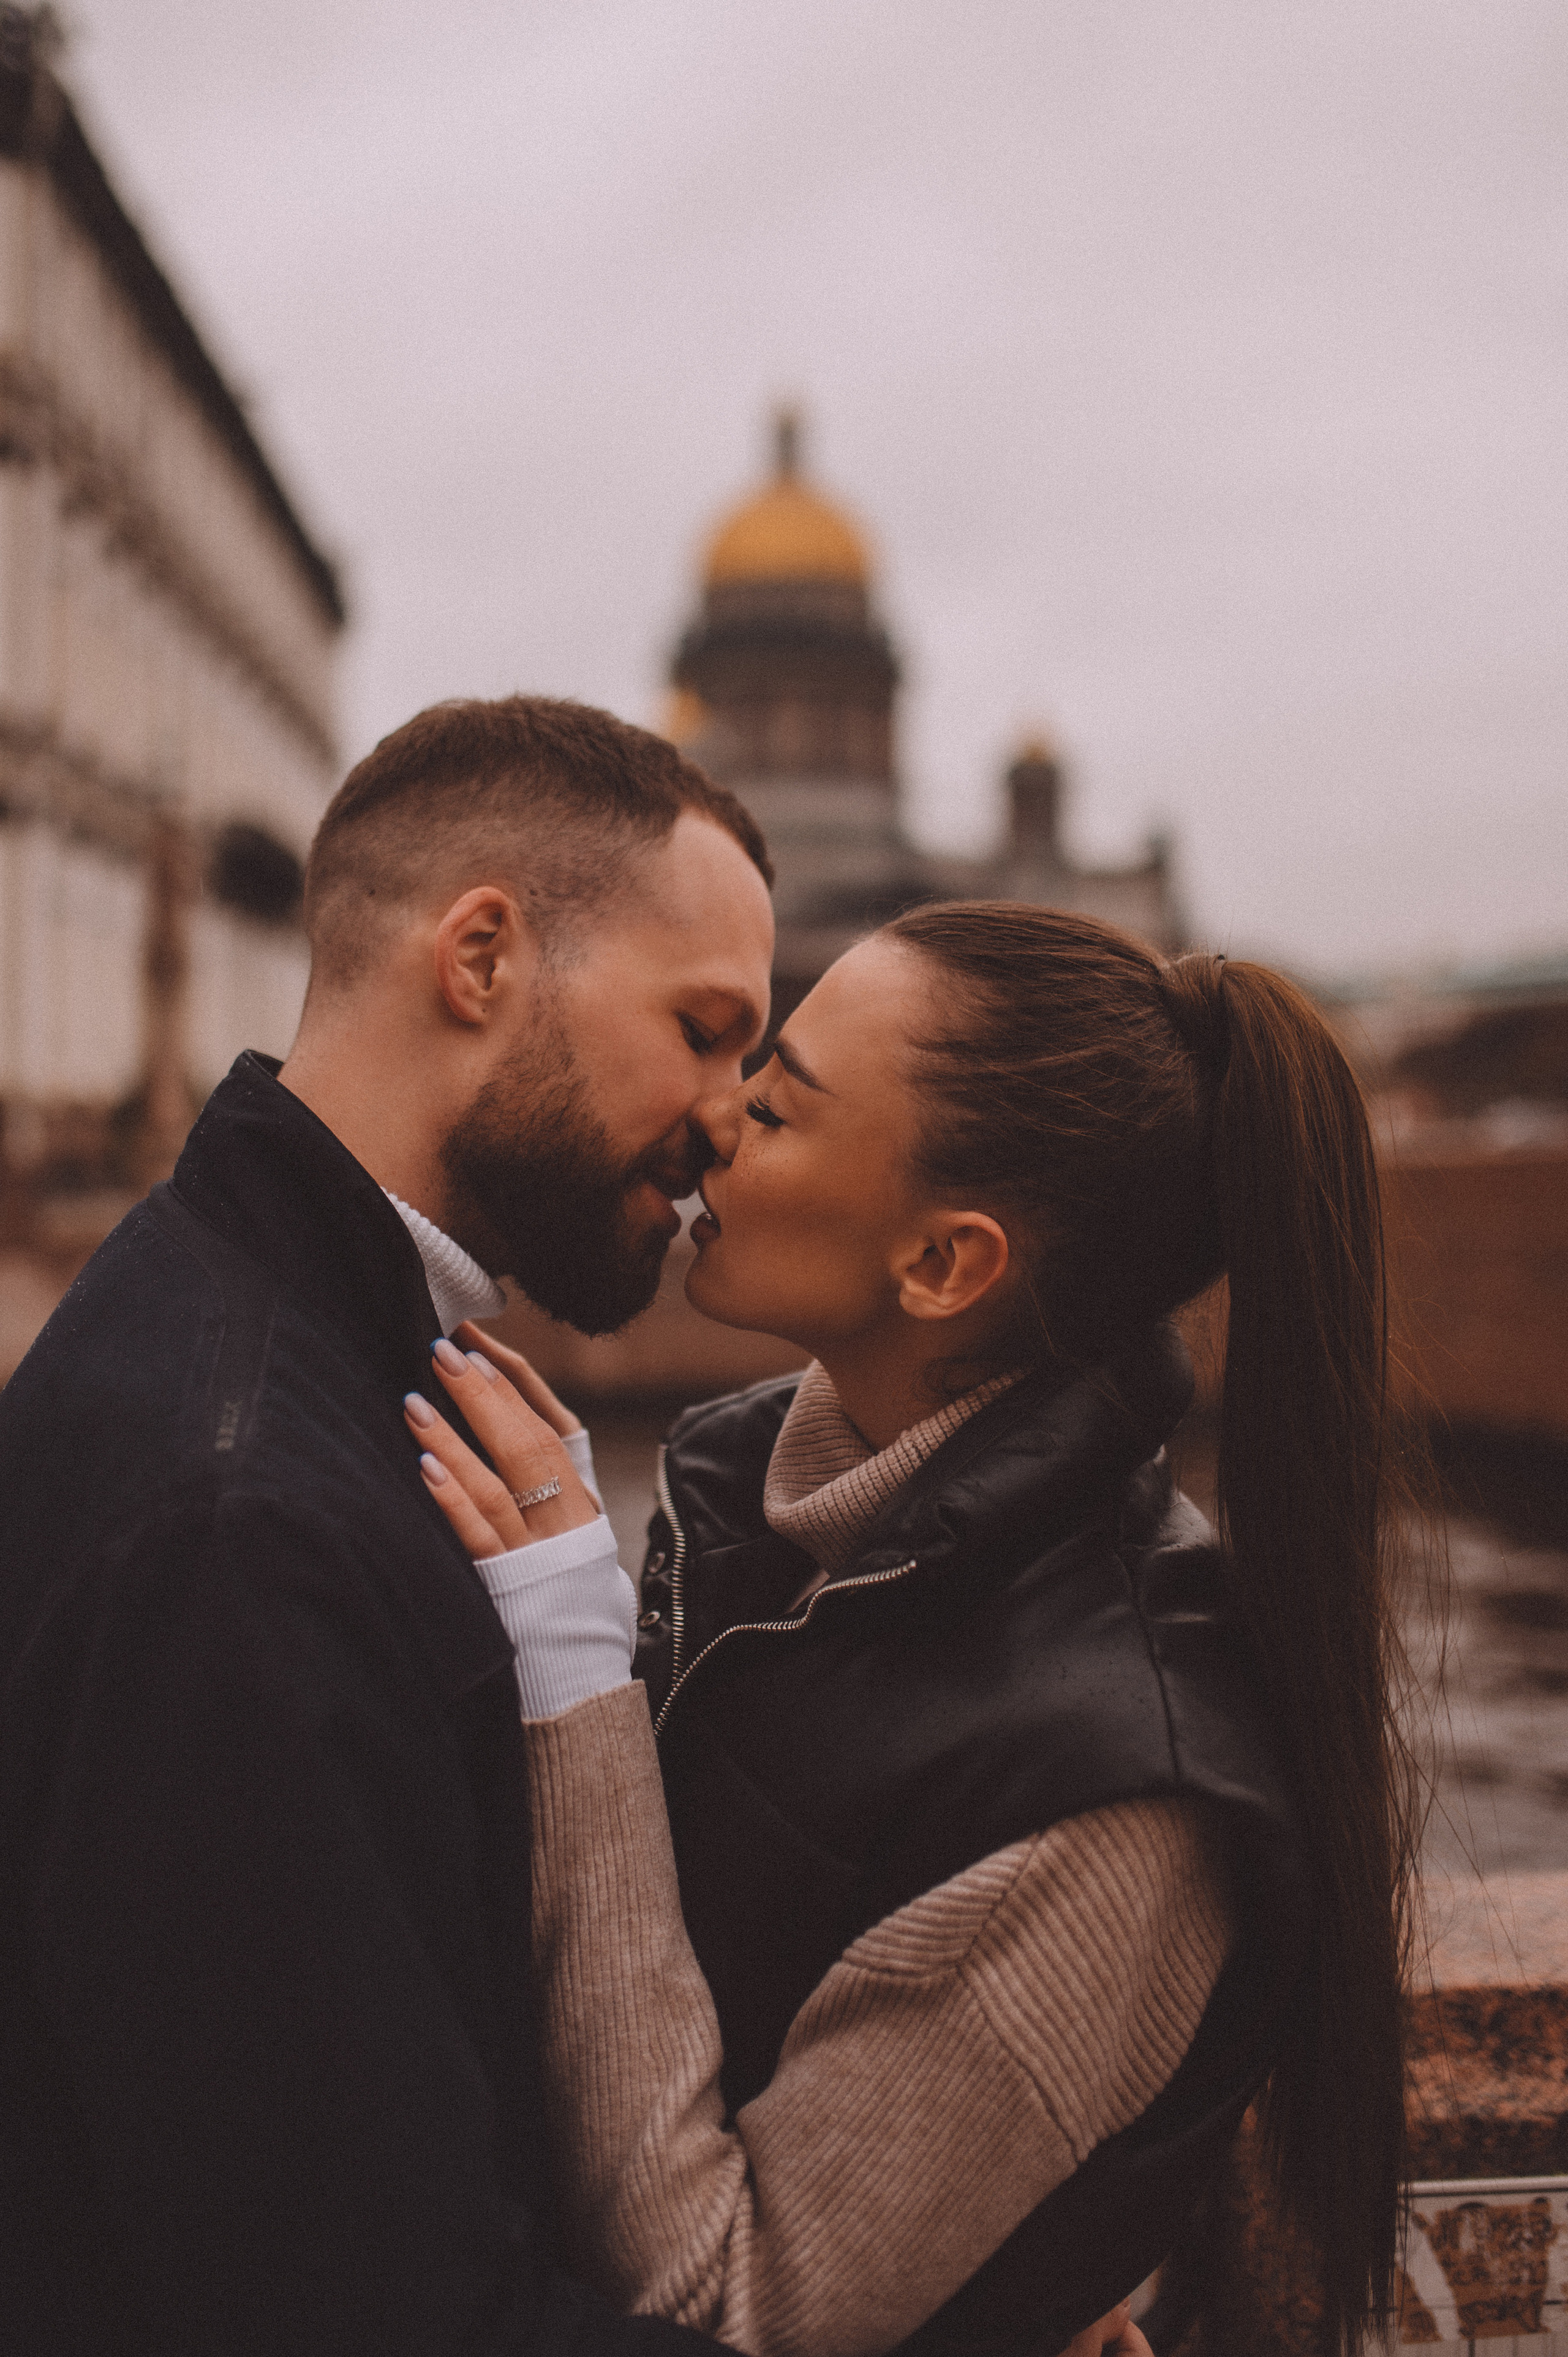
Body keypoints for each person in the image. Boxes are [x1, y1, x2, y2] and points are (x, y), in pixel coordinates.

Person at [412, 903, 1419, 2357]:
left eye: (774, 1103)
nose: (710, 1125)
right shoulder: (778, 1511)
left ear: (944, 1266)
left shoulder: (1117, 1799)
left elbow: (725, 2309)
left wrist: (575, 1683)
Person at [0, 697, 778, 2356]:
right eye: (706, 1029)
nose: (732, 1118)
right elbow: (382, 2314)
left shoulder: (235, 1333)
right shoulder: (243, 1527)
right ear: (482, 956)